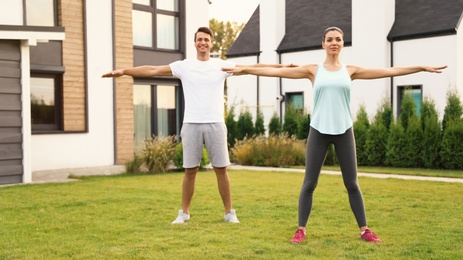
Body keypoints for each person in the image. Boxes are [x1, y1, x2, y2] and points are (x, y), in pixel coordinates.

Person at [222, 26, 447, 242]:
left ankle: (364, 230)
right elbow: (275, 72)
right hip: (319, 130)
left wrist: (421, 67)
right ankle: (301, 230)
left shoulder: (351, 71)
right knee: (309, 183)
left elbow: (389, 71)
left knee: (352, 183)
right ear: (323, 43)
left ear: (342, 44)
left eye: (338, 39)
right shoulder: (313, 70)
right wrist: (243, 69)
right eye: (329, 39)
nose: (334, 43)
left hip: (344, 131)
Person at [102, 27, 293, 224]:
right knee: (190, 170)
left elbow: (252, 67)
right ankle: (184, 213)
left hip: (216, 124)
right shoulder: (184, 66)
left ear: (211, 43)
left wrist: (282, 66)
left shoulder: (221, 65)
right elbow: (152, 69)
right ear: (195, 43)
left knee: (221, 169)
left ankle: (229, 213)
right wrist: (124, 71)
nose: (203, 42)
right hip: (191, 124)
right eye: (199, 39)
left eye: (206, 40)